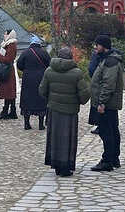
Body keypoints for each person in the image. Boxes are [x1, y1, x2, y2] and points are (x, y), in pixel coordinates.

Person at [39, 47, 91, 177]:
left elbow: (42, 90)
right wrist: (80, 101)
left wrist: (52, 99)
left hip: (54, 110)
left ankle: (55, 163)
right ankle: (66, 166)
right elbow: (84, 94)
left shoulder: (49, 71)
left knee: (54, 137)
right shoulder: (77, 73)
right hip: (70, 110)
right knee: (68, 138)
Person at [89, 35, 124, 172]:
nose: (95, 48)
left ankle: (107, 160)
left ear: (103, 46)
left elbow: (108, 84)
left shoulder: (110, 62)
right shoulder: (109, 60)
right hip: (110, 103)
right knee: (112, 130)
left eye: (97, 45)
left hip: (107, 103)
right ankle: (114, 158)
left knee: (106, 131)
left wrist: (102, 102)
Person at [17, 35, 51, 130]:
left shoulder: (25, 53)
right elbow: (50, 64)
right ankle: (41, 124)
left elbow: (19, 65)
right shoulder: (44, 53)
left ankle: (27, 124)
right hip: (41, 77)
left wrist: (26, 69)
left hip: (28, 78)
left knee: (26, 100)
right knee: (41, 100)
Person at [0, 29, 18, 120]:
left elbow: (8, 59)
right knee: (9, 91)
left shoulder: (11, 45)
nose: (4, 36)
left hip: (7, 70)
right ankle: (11, 110)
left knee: (9, 91)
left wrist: (0, 55)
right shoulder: (7, 44)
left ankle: (7, 111)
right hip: (7, 70)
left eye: (5, 34)